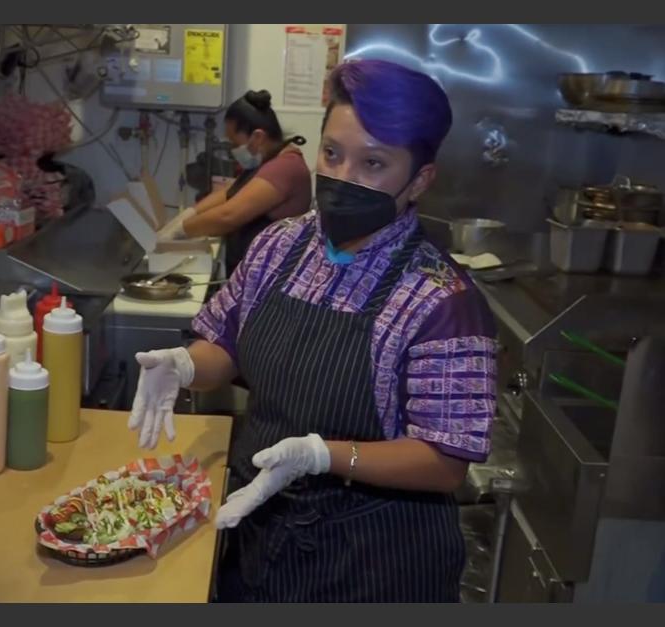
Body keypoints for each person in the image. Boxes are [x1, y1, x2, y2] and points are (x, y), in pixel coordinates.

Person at [128, 59, 498, 602]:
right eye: (332, 153)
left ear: (420, 179)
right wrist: (185, 366)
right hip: (260, 531)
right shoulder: (282, 245)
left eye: (373, 163)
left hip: (373, 563)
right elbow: (225, 343)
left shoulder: (445, 300)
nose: (344, 178)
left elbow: (446, 461)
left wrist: (324, 456)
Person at [160, 90, 312, 272]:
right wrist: (185, 217)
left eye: (234, 143)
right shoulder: (267, 159)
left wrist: (178, 232)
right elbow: (226, 193)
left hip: (269, 279)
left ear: (257, 137)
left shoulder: (285, 168)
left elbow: (228, 215)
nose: (232, 149)